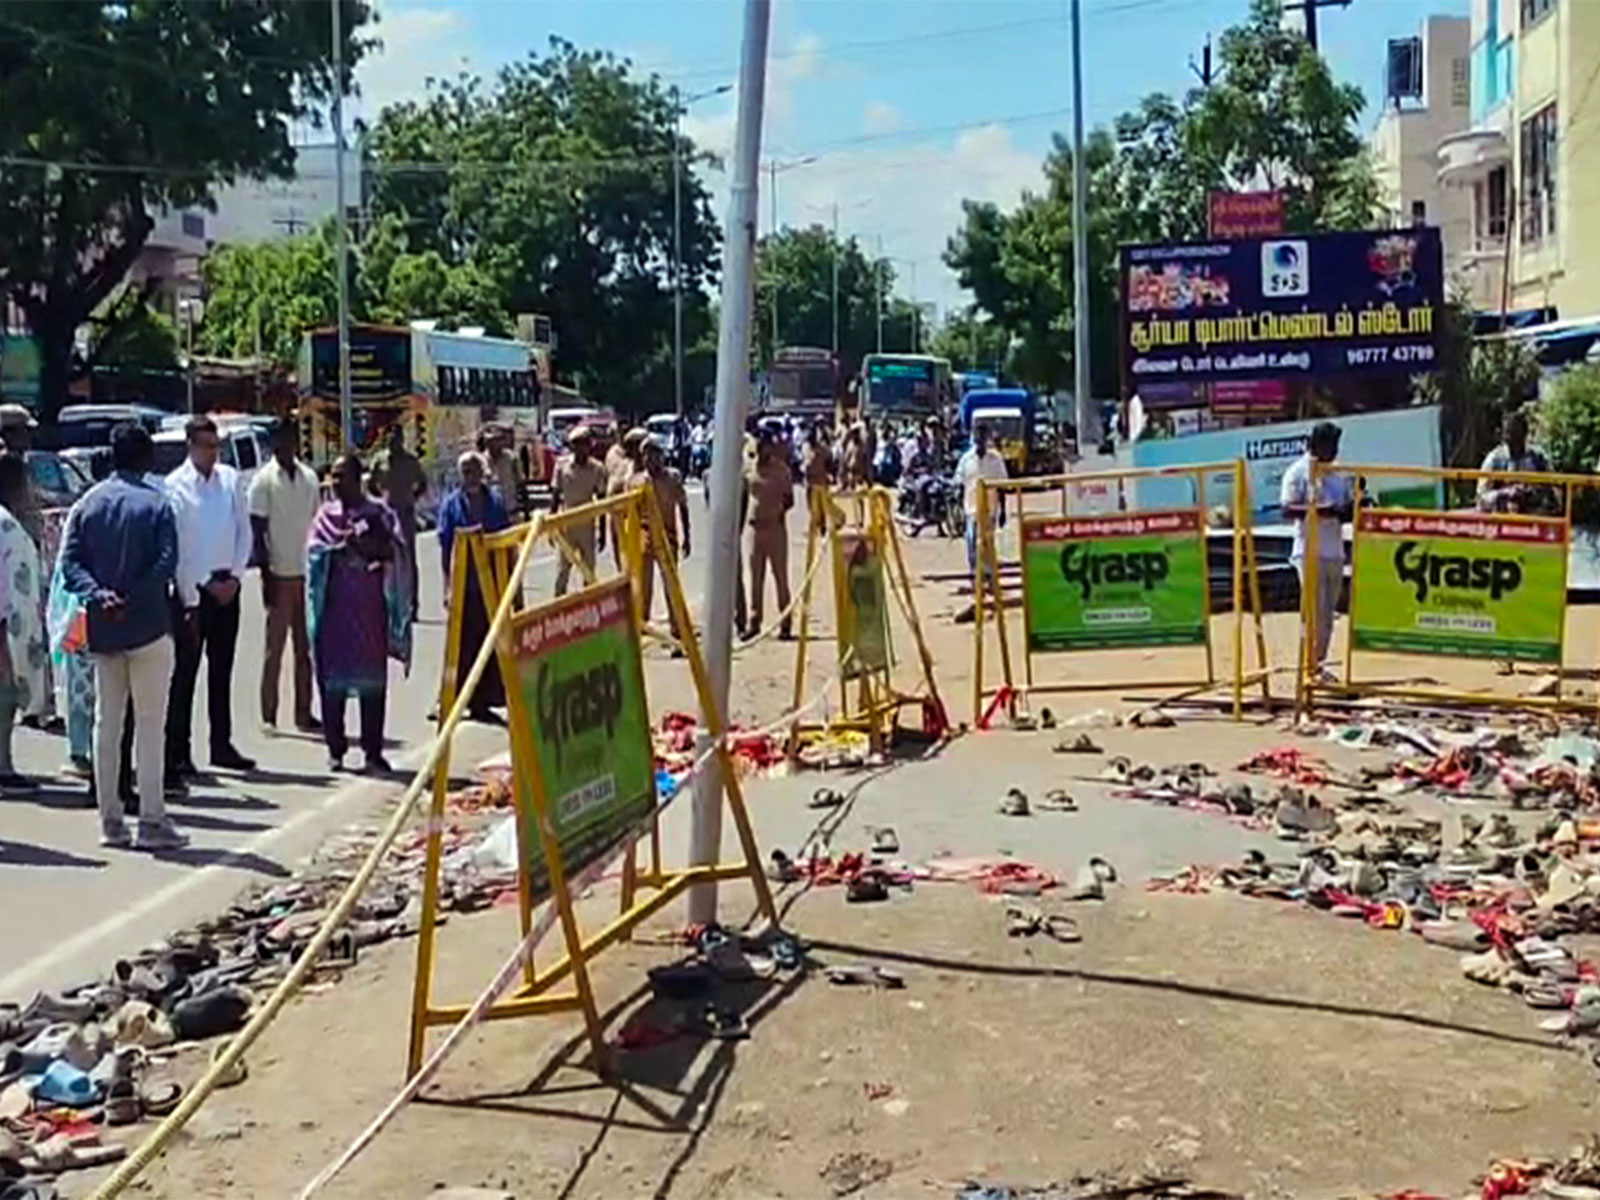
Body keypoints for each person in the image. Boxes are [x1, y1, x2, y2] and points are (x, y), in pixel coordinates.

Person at [59, 422, 184, 850]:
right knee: (150, 726)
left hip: (104, 628)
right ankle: (151, 821)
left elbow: (70, 563)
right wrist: (133, 595)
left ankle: (110, 822)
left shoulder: (87, 505)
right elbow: (167, 562)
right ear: (145, 458)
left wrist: (100, 595)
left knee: (106, 723)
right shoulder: (157, 504)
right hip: (148, 625)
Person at [308, 455, 411, 773]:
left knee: (372, 683)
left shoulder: (379, 513)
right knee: (332, 683)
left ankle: (373, 751)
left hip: (369, 610)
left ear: (358, 479)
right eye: (333, 477)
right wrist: (336, 548)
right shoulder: (325, 516)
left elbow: (395, 550)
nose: (336, 483)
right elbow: (313, 553)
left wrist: (366, 545)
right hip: (335, 611)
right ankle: (335, 749)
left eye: (342, 476)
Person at [165, 416, 255, 776]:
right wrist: (203, 584)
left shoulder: (230, 480)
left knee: (222, 669)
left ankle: (221, 743)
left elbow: (244, 531)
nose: (212, 453)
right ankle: (178, 750)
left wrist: (235, 576)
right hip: (194, 590)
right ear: (191, 446)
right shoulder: (175, 486)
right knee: (185, 672)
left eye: (216, 446)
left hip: (227, 585)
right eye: (206, 446)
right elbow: (181, 545)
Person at [248, 419, 320, 733]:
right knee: (274, 650)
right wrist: (266, 576)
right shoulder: (263, 481)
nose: (284, 446)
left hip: (306, 574)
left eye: (289, 439)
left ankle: (304, 713)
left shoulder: (309, 478)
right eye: (279, 440)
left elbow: (317, 523)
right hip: (278, 574)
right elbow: (258, 532)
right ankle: (269, 715)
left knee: (305, 648)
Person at [437, 451, 511, 721]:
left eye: (473, 470)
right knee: (460, 645)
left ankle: (482, 702)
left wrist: (511, 586)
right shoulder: (451, 505)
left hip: (491, 582)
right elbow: (446, 549)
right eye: (465, 471)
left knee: (488, 642)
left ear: (482, 472)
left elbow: (507, 541)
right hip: (463, 584)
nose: (470, 476)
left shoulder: (495, 502)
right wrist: (447, 586)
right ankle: (449, 700)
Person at [1280, 421, 1353, 680]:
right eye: (1331, 445)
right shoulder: (1298, 472)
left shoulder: (1338, 473)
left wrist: (1352, 507)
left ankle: (1317, 665)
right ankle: (1308, 667)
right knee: (1314, 613)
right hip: (1309, 551)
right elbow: (1287, 509)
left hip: (1334, 551)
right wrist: (1323, 511)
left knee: (1328, 615)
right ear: (1317, 445)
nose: (1335, 450)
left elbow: (1346, 507)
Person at [0, 454, 46, 793]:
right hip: (5, 633)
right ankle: (2, 767)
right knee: (4, 703)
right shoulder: (5, 527)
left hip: (10, 630)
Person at [632, 437, 690, 649]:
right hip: (645, 538)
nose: (651, 459)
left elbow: (682, 506)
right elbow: (632, 514)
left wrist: (687, 536)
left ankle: (678, 632)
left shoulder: (672, 479)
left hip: (668, 538)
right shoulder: (637, 481)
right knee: (643, 588)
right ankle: (641, 629)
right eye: (646, 455)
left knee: (671, 588)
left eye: (654, 454)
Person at [371, 422, 427, 620]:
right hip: (386, 513)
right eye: (390, 438)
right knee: (384, 557)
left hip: (405, 513)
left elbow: (422, 483)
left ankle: (413, 604)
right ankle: (387, 603)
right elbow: (371, 483)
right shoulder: (379, 460)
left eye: (397, 438)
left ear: (402, 440)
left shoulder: (411, 461)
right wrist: (379, 499)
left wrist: (412, 498)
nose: (393, 441)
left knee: (408, 558)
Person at [744, 427, 795, 640]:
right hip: (754, 528)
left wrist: (776, 510)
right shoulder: (748, 468)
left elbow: (789, 499)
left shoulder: (781, 471)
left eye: (764, 444)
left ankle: (786, 622)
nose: (760, 447)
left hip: (775, 528)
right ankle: (754, 621)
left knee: (780, 577)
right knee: (755, 578)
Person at [550, 426, 607, 596]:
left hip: (587, 524)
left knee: (589, 571)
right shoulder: (562, 466)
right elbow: (555, 497)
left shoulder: (597, 468)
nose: (581, 448)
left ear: (589, 446)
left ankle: (589, 604)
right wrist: (551, 527)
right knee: (562, 571)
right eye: (577, 444)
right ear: (572, 447)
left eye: (584, 444)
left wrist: (602, 531)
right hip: (566, 524)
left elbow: (602, 500)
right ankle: (558, 605)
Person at [1478, 408, 1555, 514]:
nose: (1511, 440)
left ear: (1525, 434)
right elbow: (1482, 497)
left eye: (1516, 434)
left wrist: (1529, 493)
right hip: (1500, 518)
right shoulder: (1494, 459)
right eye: (1508, 434)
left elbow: (1553, 494)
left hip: (1534, 517)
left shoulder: (1538, 458)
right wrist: (1504, 494)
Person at [957, 425, 1009, 582]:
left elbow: (1002, 487)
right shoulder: (966, 460)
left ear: (987, 438)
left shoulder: (996, 459)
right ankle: (975, 573)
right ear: (974, 437)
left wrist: (1003, 511)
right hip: (971, 508)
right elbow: (960, 485)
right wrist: (960, 511)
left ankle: (988, 574)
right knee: (972, 540)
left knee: (988, 541)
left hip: (990, 509)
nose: (980, 439)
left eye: (983, 436)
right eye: (977, 436)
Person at [606, 427, 647, 569]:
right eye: (636, 445)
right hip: (629, 520)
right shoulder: (625, 467)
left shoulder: (653, 469)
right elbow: (612, 491)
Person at [482, 424, 523, 520]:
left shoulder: (511, 458)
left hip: (510, 511)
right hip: (490, 514)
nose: (495, 444)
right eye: (491, 441)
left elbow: (521, 484)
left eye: (498, 440)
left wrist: (526, 511)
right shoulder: (480, 460)